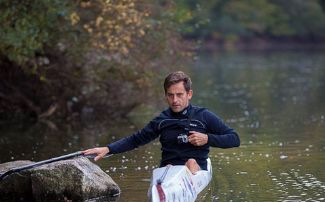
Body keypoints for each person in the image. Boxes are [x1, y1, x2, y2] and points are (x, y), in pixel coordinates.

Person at [83, 71, 240, 173]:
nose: (175, 100)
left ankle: (189, 171)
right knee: (168, 168)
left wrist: (207, 139)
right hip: (168, 173)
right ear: (165, 95)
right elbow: (136, 140)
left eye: (179, 95)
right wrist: (108, 149)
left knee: (191, 162)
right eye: (170, 95)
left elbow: (234, 138)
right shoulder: (162, 120)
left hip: (196, 171)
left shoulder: (204, 116)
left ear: (189, 94)